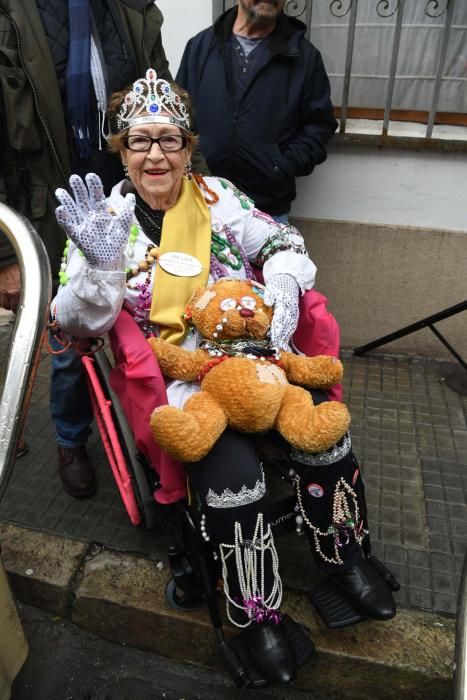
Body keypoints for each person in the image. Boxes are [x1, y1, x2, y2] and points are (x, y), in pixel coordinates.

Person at [51, 68, 396, 687]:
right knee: (234, 476)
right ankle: (256, 611)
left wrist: (286, 274)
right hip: (182, 375)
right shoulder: (100, 218)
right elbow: (77, 321)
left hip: (257, 358)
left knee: (326, 437)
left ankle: (343, 555)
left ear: (189, 147)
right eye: (139, 141)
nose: (155, 154)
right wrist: (99, 269)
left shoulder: (218, 196)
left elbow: (280, 238)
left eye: (170, 140)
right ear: (120, 149)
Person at [0, 0, 206, 496]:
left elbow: (163, 104)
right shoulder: (12, 13)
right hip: (52, 204)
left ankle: (152, 431)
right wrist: (6, 256)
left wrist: (187, 180)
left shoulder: (133, 9)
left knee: (157, 322)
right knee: (75, 343)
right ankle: (71, 439)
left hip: (132, 194)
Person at [176, 0, 337, 223]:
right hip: (201, 201)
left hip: (267, 210)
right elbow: (178, 117)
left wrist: (282, 165)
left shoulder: (304, 57)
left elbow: (319, 126)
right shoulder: (200, 48)